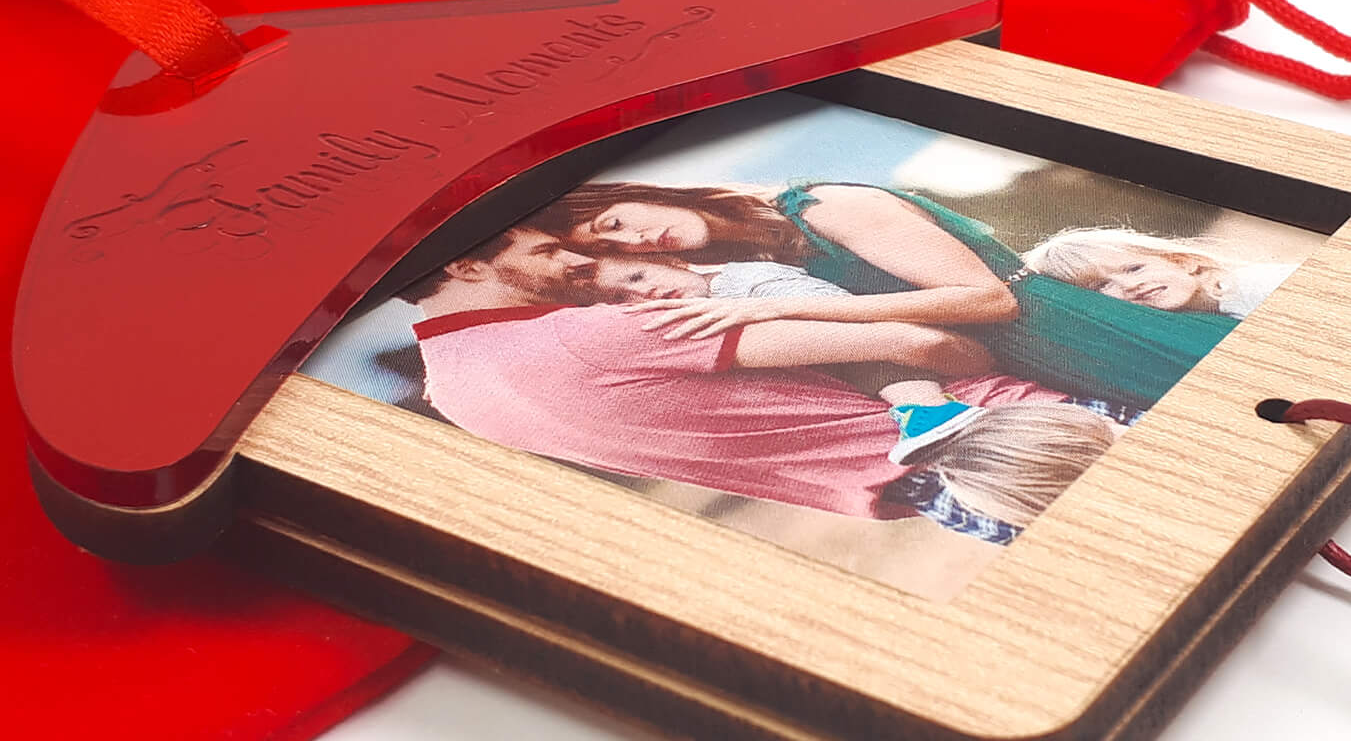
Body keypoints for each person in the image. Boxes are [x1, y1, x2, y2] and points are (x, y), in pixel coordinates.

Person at [401, 224, 1121, 542]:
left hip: (963, 508)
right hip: (1022, 430)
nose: (570, 264)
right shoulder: (585, 332)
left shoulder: (456, 395)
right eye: (546, 251)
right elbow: (921, 344)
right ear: (467, 266)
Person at [535, 181, 1239, 407]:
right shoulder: (766, 252)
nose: (636, 240)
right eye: (616, 248)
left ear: (642, 193)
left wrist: (781, 307)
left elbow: (989, 299)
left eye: (616, 221)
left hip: (1079, 331)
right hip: (1049, 362)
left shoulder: (825, 206)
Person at [595, 250, 986, 462]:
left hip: (891, 340)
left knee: (850, 349)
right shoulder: (717, 299)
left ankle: (929, 409)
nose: (643, 293)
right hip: (884, 350)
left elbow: (832, 307)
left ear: (672, 261)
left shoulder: (743, 283)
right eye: (623, 298)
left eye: (638, 277)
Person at [1020, 227, 1299, 318]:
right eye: (1101, 286)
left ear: (1184, 262)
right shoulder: (1202, 316)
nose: (1129, 285)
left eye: (1134, 268)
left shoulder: (1256, 287)